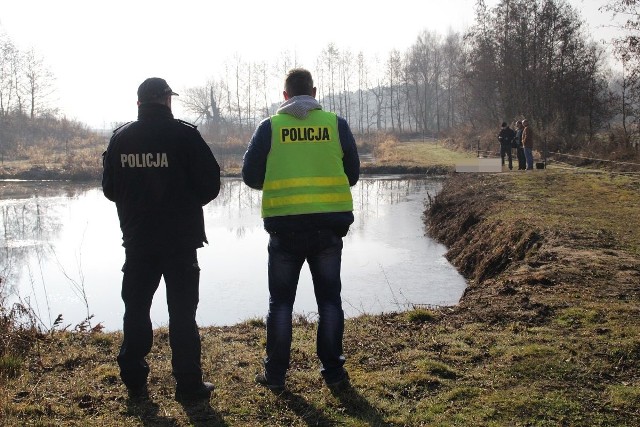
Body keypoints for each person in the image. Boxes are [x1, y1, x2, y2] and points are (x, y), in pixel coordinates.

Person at [102, 77, 221, 401]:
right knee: (182, 313)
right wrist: (182, 199)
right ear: (167, 101)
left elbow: (110, 189)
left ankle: (134, 380)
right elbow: (210, 185)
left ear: (139, 103)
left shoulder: (120, 139)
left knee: (137, 309)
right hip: (181, 242)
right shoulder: (185, 135)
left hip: (138, 241)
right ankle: (188, 385)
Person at [242, 68, 360, 392]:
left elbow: (250, 176)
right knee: (330, 302)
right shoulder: (336, 125)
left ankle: (276, 376)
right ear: (315, 91)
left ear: (285, 96)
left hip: (285, 230)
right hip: (328, 229)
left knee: (280, 304)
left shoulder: (270, 128)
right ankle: (334, 374)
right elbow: (352, 174)